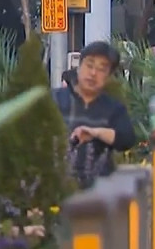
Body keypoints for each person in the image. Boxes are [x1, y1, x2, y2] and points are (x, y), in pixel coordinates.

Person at [54, 42, 137, 189]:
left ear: (109, 76)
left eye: (101, 69)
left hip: (99, 192)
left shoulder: (113, 108)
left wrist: (96, 133)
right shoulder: (54, 99)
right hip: (56, 187)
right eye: (89, 65)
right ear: (79, 66)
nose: (93, 73)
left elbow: (127, 138)